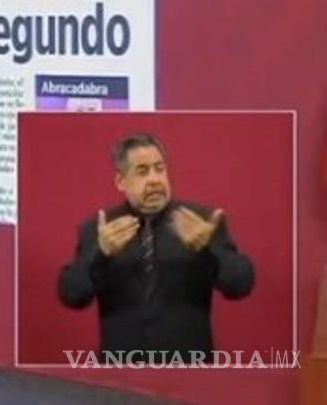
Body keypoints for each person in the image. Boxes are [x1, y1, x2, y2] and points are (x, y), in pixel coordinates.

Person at [58, 132, 255, 358]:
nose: (154, 179)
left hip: (189, 365)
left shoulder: (201, 222)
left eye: (159, 169)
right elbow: (72, 296)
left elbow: (240, 286)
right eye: (142, 171)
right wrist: (100, 254)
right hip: (121, 366)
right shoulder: (100, 228)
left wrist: (208, 248)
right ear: (120, 181)